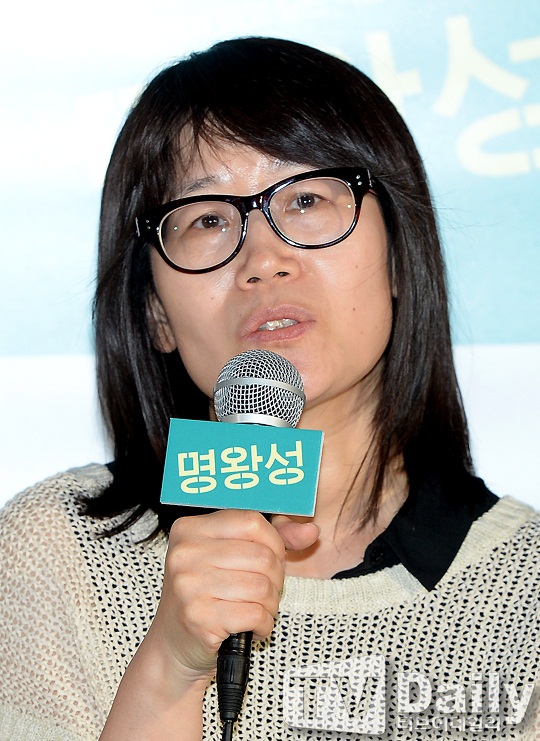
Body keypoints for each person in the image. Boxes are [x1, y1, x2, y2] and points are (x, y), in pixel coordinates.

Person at [0, 36, 538, 741]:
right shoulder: (56, 552)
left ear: (400, 260)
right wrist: (167, 671)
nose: (264, 259)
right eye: (208, 219)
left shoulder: (524, 589)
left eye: (306, 199)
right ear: (156, 312)